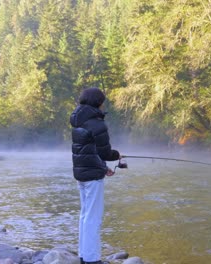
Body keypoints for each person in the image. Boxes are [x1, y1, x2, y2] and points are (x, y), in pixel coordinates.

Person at [70, 87, 120, 264]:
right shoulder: (97, 122)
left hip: (82, 174)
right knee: (93, 218)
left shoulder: (78, 120)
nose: (103, 104)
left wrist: (103, 167)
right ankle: (92, 259)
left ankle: (84, 254)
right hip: (92, 177)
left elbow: (89, 150)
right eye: (102, 101)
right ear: (97, 102)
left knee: (85, 215)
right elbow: (105, 152)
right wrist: (116, 155)